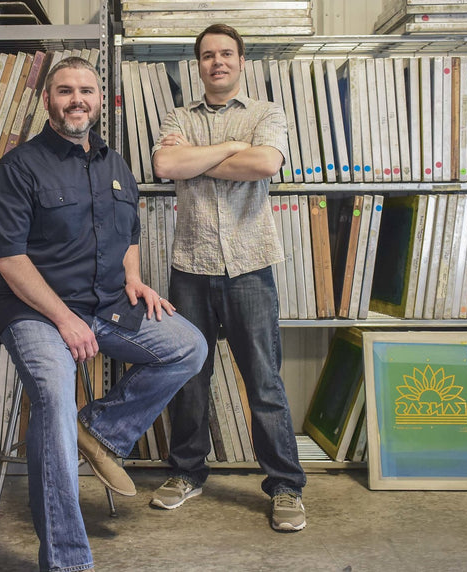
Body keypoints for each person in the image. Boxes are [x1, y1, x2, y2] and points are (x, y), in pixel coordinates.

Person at [0, 56, 207, 571]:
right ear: (47, 100)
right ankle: (67, 561)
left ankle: (101, 430)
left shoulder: (115, 163)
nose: (76, 99)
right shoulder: (17, 169)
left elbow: (127, 232)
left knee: (189, 346)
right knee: (55, 401)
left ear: (100, 100)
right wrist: (63, 319)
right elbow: (9, 259)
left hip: (105, 304)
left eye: (86, 90)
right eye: (65, 91)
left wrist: (133, 277)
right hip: (35, 312)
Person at [149, 24, 308, 532]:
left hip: (250, 266)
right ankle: (187, 474)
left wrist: (201, 157)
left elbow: (264, 162)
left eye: (226, 54)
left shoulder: (267, 114)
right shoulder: (177, 116)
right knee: (190, 379)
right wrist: (230, 147)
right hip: (190, 267)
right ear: (197, 65)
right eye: (207, 55)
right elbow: (165, 163)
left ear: (242, 61)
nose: (217, 62)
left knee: (263, 381)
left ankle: (285, 486)